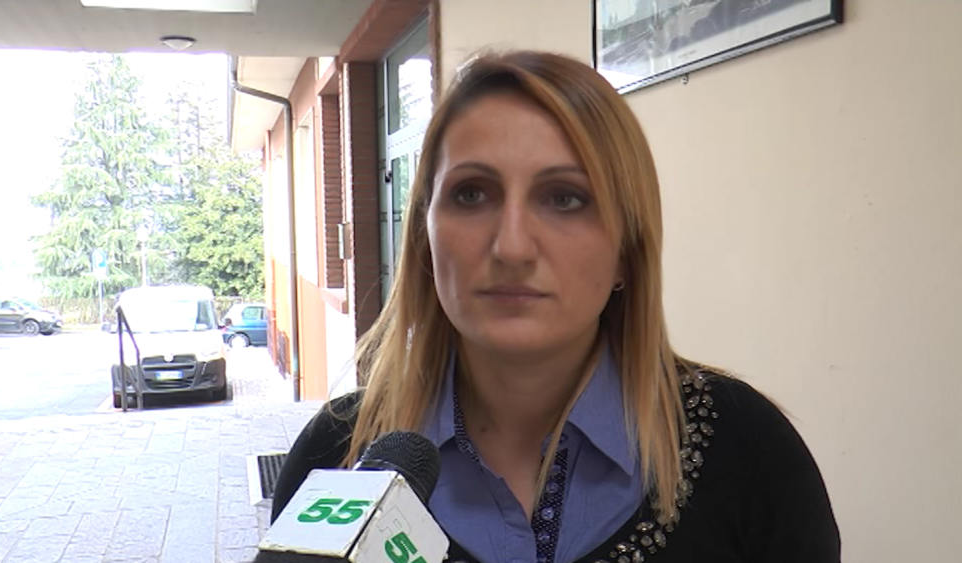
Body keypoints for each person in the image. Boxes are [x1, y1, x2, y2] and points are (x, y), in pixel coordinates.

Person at [270, 51, 840, 563]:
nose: (512, 247)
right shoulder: (335, 456)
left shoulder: (748, 450)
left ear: (627, 252)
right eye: (471, 193)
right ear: (424, 237)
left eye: (565, 198)